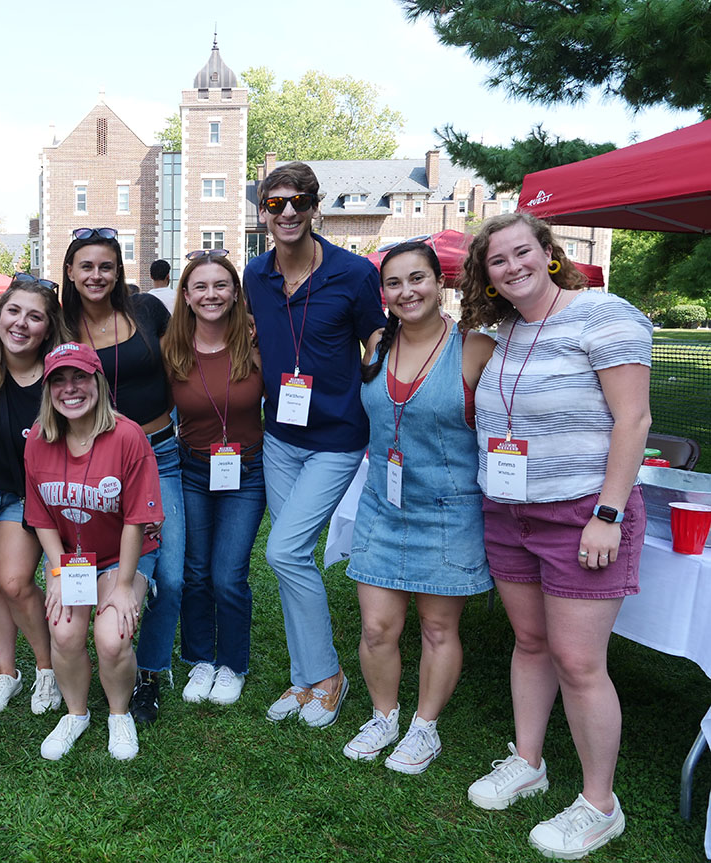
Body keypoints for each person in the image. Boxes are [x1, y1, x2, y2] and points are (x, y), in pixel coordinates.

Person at [460, 213, 651, 860]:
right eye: (497, 260)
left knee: (579, 660)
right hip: (509, 511)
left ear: (548, 253)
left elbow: (634, 418)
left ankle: (600, 804)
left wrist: (610, 512)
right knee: (531, 641)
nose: (512, 266)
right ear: (486, 273)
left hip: (581, 514)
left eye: (523, 252)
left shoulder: (603, 314)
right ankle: (529, 760)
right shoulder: (503, 331)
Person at [342, 241, 495, 773]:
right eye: (394, 283)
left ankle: (424, 728)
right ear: (382, 292)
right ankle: (385, 715)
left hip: (449, 511)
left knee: (437, 628)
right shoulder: (378, 343)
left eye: (417, 278)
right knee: (377, 628)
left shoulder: (474, 348)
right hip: (383, 504)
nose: (406, 291)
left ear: (439, 282)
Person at [243, 162, 385, 727]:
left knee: (282, 551)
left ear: (314, 205)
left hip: (337, 437)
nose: (287, 212)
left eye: (297, 201)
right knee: (292, 558)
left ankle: (327, 674)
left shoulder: (352, 273)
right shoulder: (256, 275)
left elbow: (376, 340)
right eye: (275, 204)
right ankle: (306, 680)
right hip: (278, 434)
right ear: (263, 214)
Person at [60, 228, 182, 725]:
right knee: (101, 564)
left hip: (160, 452)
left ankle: (149, 674)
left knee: (171, 576)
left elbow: (187, 360)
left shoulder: (147, 311)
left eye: (106, 266)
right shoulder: (58, 326)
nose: (96, 275)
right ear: (70, 272)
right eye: (86, 266)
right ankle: (85, 664)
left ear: (118, 272)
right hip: (93, 466)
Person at [23, 342, 164, 760]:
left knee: (112, 635)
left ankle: (118, 715)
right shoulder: (39, 440)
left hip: (124, 555)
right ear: (48, 390)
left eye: (80, 377)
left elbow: (138, 518)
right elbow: (41, 518)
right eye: (59, 380)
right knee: (64, 632)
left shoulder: (127, 436)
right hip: (72, 558)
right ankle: (75, 714)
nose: (71, 389)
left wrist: (122, 586)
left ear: (98, 381)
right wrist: (58, 572)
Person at [0, 275, 69, 716]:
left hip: (29, 496)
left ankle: (46, 669)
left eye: (34, 316)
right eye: (14, 311)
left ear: (48, 326)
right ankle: (7, 673)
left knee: (15, 582)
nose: (21, 323)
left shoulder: (57, 377)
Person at [161, 249, 265, 707]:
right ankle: (200, 658)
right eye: (200, 286)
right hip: (191, 469)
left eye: (220, 285)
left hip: (247, 471)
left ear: (235, 292)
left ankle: (232, 664)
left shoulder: (258, 346)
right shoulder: (171, 351)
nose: (211, 294)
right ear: (185, 295)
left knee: (227, 574)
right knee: (195, 572)